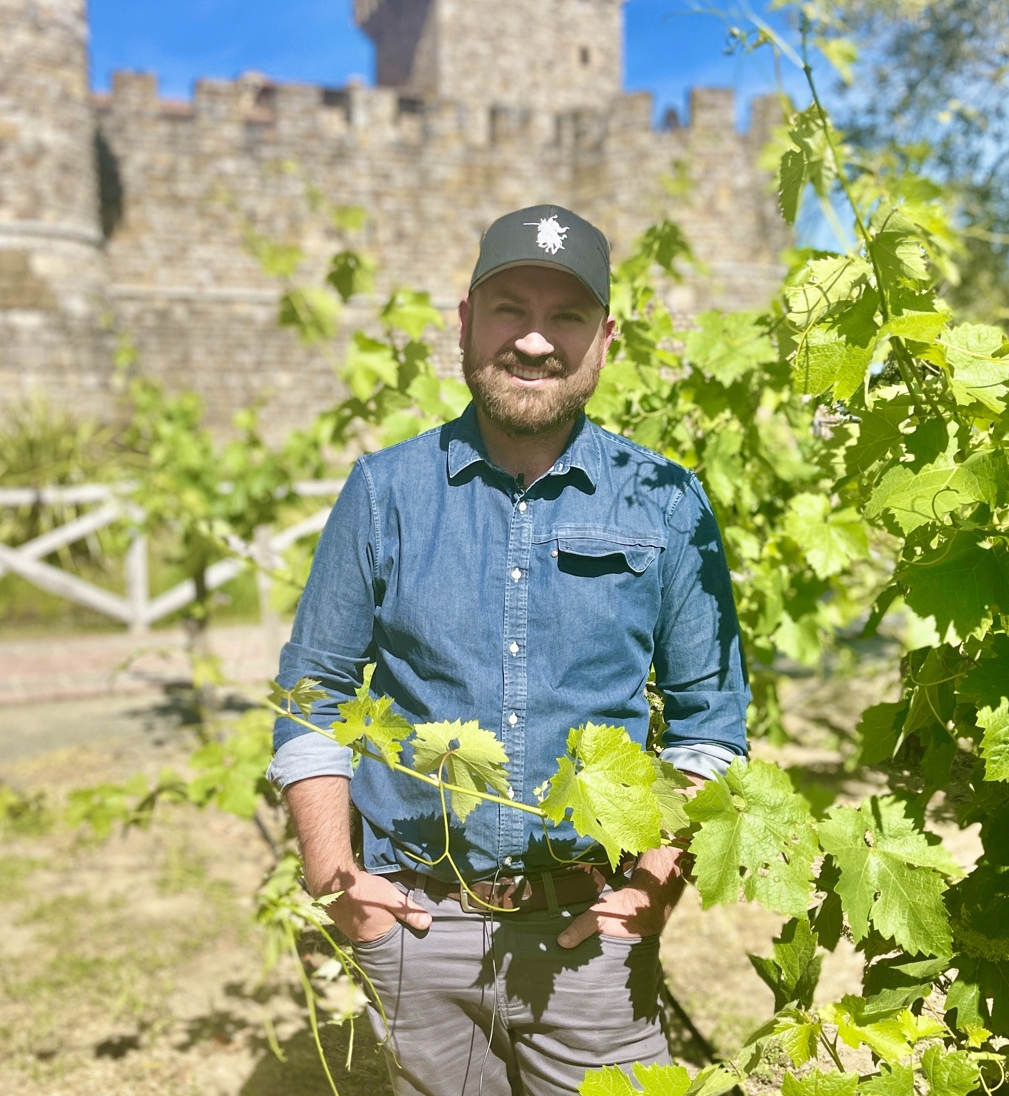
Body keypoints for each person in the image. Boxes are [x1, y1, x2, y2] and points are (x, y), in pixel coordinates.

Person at [268, 204, 749, 1096]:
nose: (534, 341)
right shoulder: (384, 493)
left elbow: (709, 730)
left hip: (592, 941)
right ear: (464, 321)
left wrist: (652, 892)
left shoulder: (669, 503)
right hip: (414, 931)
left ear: (605, 338)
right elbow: (311, 698)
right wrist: (339, 886)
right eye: (509, 310)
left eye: (565, 316)